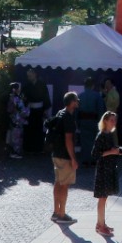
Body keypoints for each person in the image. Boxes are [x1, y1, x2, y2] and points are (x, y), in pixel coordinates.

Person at [49, 93, 80, 224]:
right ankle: (62, 214)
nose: (78, 102)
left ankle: (56, 212)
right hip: (64, 156)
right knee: (64, 185)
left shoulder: (60, 113)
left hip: (56, 153)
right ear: (72, 102)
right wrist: (73, 158)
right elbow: (68, 140)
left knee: (58, 182)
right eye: (76, 100)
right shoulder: (68, 117)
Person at [91, 111, 122, 236]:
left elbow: (109, 150)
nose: (114, 122)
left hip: (108, 168)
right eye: (111, 120)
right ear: (105, 121)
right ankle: (100, 225)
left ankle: (102, 223)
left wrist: (116, 151)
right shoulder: (102, 135)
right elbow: (95, 154)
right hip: (103, 169)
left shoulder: (109, 134)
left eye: (115, 120)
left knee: (104, 197)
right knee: (102, 198)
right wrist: (112, 152)